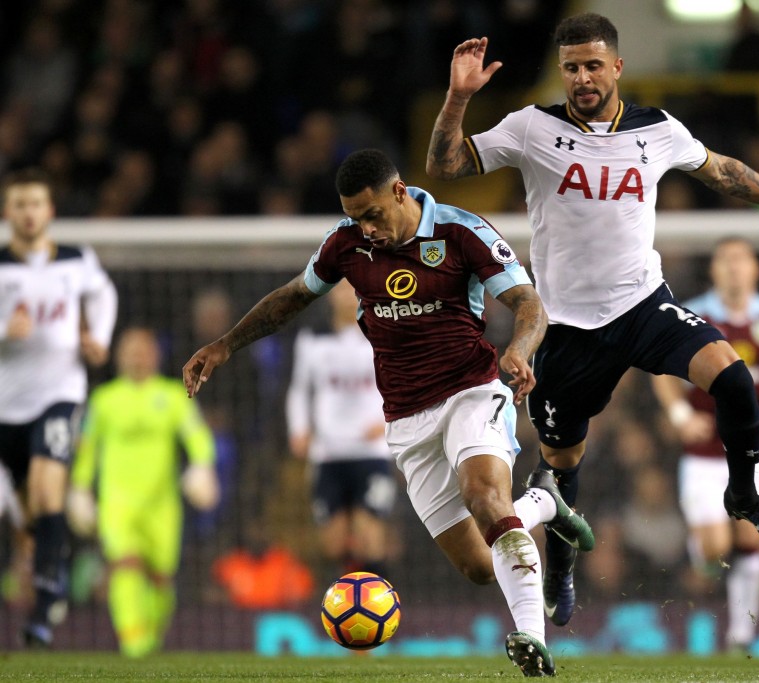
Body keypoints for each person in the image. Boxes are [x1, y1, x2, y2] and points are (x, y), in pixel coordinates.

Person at [426, 11, 759, 626]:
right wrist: (457, 98)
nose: (582, 77)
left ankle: (743, 494)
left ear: (616, 67)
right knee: (560, 470)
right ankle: (560, 570)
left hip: (643, 305)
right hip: (567, 330)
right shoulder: (532, 127)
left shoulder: (657, 129)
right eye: (571, 68)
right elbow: (446, 166)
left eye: (592, 66)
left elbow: (723, 171)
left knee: (735, 379)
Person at [182, 149, 594, 677]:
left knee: (485, 497)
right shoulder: (346, 243)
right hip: (406, 418)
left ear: (399, 192)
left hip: (472, 389)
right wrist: (225, 345)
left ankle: (531, 639)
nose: (365, 227)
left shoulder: (461, 231)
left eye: (371, 214)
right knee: (476, 566)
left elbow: (529, 302)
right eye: (355, 217)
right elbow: (291, 297)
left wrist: (519, 350)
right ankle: (543, 501)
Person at [651, 236, 759, 653]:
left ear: (756, 269)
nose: (734, 267)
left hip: (757, 445)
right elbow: (661, 373)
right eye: (725, 260)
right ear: (714, 270)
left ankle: (741, 633)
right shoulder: (693, 314)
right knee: (715, 549)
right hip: (703, 450)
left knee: (750, 537)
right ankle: (703, 559)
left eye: (741, 260)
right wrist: (681, 416)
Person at [0, 168, 117, 647]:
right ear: (8, 214)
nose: (28, 213)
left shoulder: (76, 260)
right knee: (27, 516)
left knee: (50, 491)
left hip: (59, 393)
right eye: (19, 205)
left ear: (49, 212)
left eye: (36, 204)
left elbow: (103, 293)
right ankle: (46, 574)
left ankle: (49, 596)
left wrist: (98, 339)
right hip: (7, 405)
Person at [66, 327, 219, 657]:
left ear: (156, 355)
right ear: (119, 356)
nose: (137, 356)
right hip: (117, 502)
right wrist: (79, 488)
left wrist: (202, 467)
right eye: (130, 350)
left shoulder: (174, 395)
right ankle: (133, 643)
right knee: (124, 564)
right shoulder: (104, 400)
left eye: (143, 349)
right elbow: (88, 449)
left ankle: (150, 638)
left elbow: (197, 437)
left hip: (162, 504)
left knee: (161, 577)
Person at [286, 280, 395, 581]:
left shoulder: (384, 335)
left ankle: (379, 603)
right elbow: (299, 390)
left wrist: (388, 422)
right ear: (331, 294)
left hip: (371, 452)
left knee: (369, 533)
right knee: (332, 542)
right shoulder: (312, 340)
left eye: (354, 287)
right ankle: (343, 604)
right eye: (343, 289)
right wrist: (299, 429)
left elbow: (404, 384)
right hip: (328, 452)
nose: (349, 295)